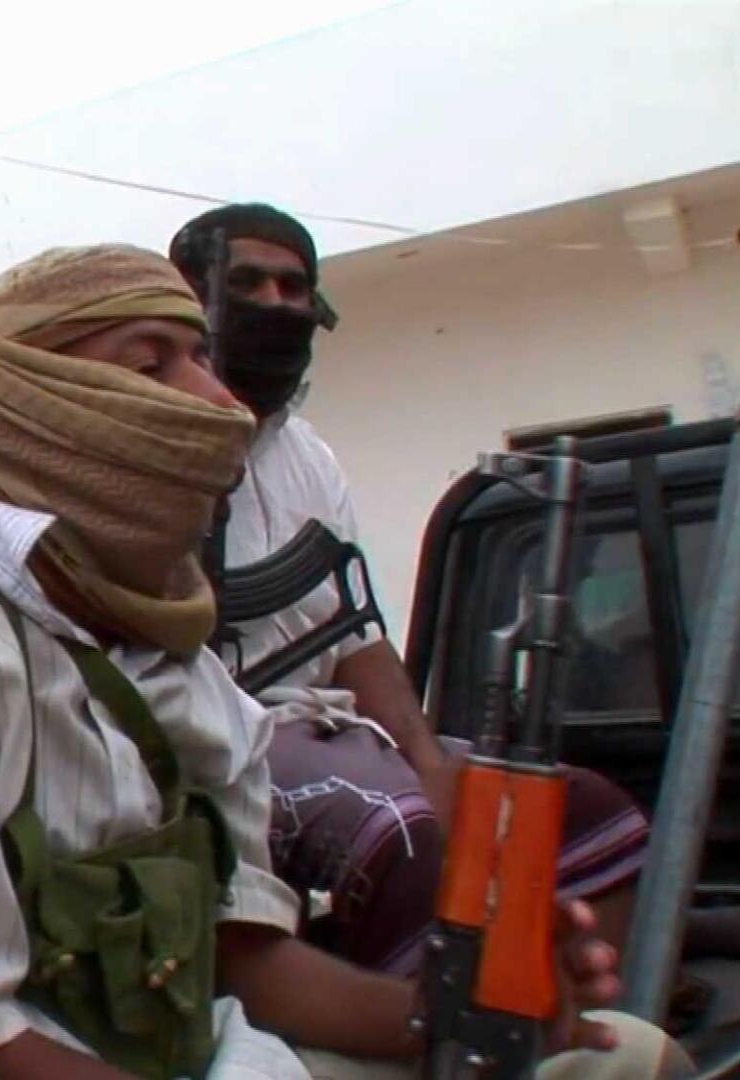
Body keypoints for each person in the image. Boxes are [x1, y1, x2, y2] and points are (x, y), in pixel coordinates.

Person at [0, 244, 684, 1078]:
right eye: (149, 363)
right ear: (32, 409)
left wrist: (463, 1017)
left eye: (199, 357)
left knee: (622, 1057)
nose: (219, 402)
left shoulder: (176, 659)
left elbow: (242, 960)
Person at [169, 204, 652, 974]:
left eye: (294, 288)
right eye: (248, 284)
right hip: (213, 746)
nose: (276, 305)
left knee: (591, 813)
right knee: (401, 830)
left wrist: (430, 761)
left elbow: (355, 636)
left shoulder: (306, 457)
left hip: (331, 727)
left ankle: (572, 1007)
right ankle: (431, 1023)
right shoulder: (147, 446)